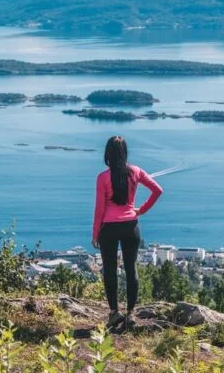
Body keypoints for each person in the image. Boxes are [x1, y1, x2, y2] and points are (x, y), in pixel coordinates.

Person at [92, 135, 163, 329]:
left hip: (108, 228)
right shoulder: (136, 172)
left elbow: (99, 208)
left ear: (107, 154)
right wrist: (141, 210)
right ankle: (131, 313)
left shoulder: (103, 178)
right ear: (125, 152)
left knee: (110, 270)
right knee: (131, 270)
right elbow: (157, 190)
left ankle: (114, 313)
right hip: (131, 226)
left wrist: (95, 233)